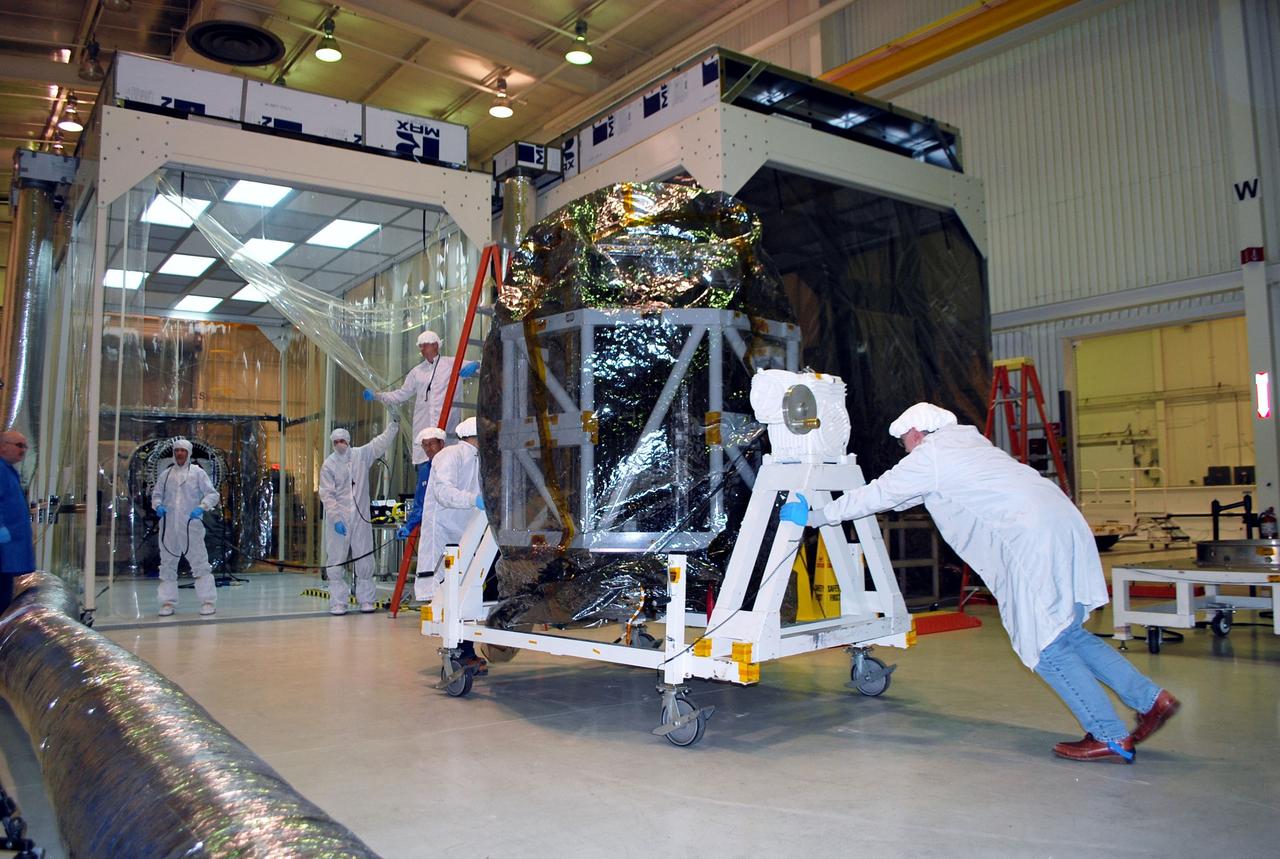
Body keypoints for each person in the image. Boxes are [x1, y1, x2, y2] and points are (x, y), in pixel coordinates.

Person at [783, 402, 1180, 764]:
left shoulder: (931, 456)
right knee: (1068, 634)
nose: (905, 450)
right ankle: (1150, 699)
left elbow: (881, 493)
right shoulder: (969, 447)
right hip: (1064, 527)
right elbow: (903, 497)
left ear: (918, 433)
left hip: (1030, 541)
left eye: (905, 442)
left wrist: (816, 516)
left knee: (1044, 646)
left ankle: (1109, 736)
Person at [364, 330, 478, 532]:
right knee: (425, 483)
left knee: (447, 478)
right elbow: (401, 394)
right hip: (426, 437)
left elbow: (481, 368)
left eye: (426, 344)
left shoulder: (452, 363)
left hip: (446, 434)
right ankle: (416, 521)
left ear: (436, 344)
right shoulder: (417, 372)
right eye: (421, 346)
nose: (423, 349)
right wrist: (378, 396)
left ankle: (444, 520)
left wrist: (476, 365)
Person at [418, 416, 485, 670]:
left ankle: (465, 650)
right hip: (444, 534)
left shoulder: (478, 458)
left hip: (465, 532)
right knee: (448, 594)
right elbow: (443, 493)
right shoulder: (450, 456)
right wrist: (474, 500)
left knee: (464, 593)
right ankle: (458, 653)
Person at [320, 416, 399, 615]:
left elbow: (378, 443)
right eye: (336, 442)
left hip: (361, 517)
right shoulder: (328, 465)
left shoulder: (360, 455)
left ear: (348, 441)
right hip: (339, 519)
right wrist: (336, 518)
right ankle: (338, 602)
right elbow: (326, 494)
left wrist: (393, 427)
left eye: (343, 441)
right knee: (336, 558)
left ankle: (367, 600)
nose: (340, 445)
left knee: (364, 557)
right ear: (332, 443)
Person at [151, 438, 220, 617]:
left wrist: (202, 507)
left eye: (183, 451)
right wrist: (158, 506)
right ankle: (167, 602)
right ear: (174, 453)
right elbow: (156, 495)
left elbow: (212, 494)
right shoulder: (165, 475)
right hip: (168, 526)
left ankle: (207, 601)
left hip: (191, 526)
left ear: (188, 453)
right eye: (177, 451)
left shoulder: (197, 473)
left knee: (200, 563)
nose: (180, 453)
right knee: (167, 564)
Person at [0, 431, 35, 612]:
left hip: (8, 552)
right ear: (3, 446)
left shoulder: (8, 471)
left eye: (25, 446)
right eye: (18, 445)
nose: (23, 450)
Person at [396, 427, 447, 540]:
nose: (428, 448)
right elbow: (420, 504)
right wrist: (408, 527)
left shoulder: (451, 465)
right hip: (430, 529)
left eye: (432, 443)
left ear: (441, 443)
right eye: (425, 445)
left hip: (451, 528)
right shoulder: (424, 470)